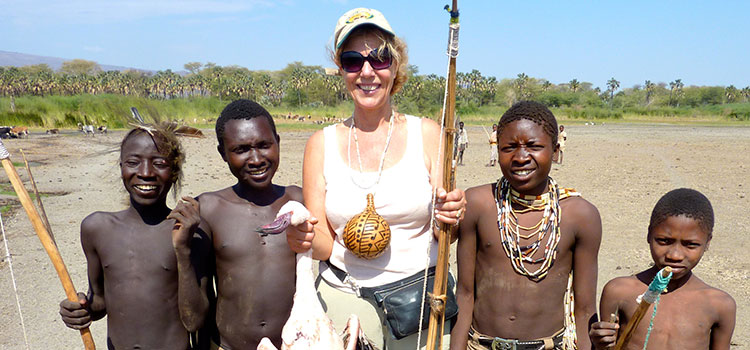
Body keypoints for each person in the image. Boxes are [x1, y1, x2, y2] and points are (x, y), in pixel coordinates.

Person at [286, 7, 466, 350]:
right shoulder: (319, 145)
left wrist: (454, 214)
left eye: (380, 58)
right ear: (341, 70)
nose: (367, 72)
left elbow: (448, 234)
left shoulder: (428, 134)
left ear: (395, 65)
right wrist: (301, 236)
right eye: (353, 61)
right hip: (343, 296)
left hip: (420, 302)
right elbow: (322, 243)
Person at [451, 101, 602, 350]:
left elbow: (585, 309)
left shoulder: (580, 215)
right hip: (481, 345)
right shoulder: (478, 204)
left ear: (555, 151)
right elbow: (465, 294)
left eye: (534, 147)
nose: (521, 157)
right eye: (509, 147)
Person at [59, 123, 212, 349]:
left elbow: (194, 321)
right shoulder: (97, 228)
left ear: (174, 172)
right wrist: (81, 309)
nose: (146, 173)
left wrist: (183, 250)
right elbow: (100, 300)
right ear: (122, 167)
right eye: (133, 163)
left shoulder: (191, 231)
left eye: (159, 164)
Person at [174, 99, 304, 350]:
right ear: (223, 153)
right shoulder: (209, 209)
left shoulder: (300, 200)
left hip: (294, 344)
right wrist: (182, 251)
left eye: (264, 145)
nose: (256, 159)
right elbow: (193, 319)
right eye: (241, 149)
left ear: (278, 141)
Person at [589, 188, 736, 350]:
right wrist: (600, 344)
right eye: (664, 241)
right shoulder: (619, 291)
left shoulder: (720, 305)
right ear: (649, 235)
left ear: (708, 242)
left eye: (691, 245)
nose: (675, 255)